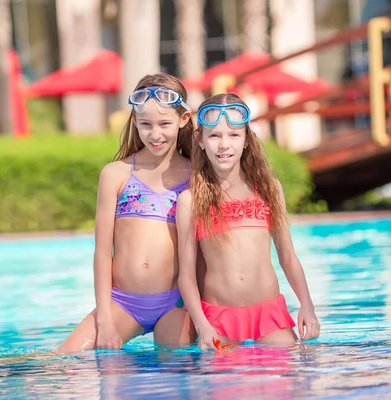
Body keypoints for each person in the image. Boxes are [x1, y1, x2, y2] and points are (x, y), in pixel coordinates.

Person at [57, 73, 199, 353]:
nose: (155, 134)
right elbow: (101, 253)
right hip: (122, 303)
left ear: (183, 120)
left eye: (164, 124)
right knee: (64, 361)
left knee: (177, 374)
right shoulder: (116, 174)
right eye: (145, 125)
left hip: (176, 304)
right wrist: (105, 318)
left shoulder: (196, 176)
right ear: (135, 121)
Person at [176, 92, 320, 350]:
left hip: (270, 315)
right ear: (199, 140)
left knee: (287, 381)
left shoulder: (268, 189)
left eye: (233, 135)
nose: (224, 145)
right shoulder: (191, 200)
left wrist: (306, 305)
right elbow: (186, 275)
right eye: (214, 136)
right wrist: (202, 325)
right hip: (219, 319)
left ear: (246, 141)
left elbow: (287, 256)